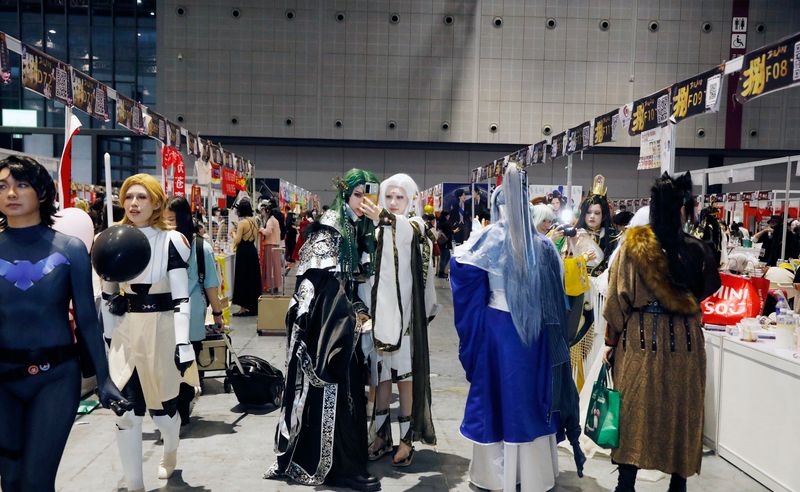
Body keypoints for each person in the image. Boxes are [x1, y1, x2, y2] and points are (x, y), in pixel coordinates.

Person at [0, 156, 126, 491]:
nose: (11, 193)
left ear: (42, 193)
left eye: (21, 184)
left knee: (36, 482)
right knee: (11, 481)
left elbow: (86, 319)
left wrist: (105, 379)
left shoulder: (70, 249)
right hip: (2, 380)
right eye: (2, 186)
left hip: (55, 378)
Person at [603, 172, 721, 492]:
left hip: (640, 341)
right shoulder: (698, 249)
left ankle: (626, 484)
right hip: (686, 342)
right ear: (682, 208)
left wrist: (610, 342)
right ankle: (677, 484)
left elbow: (616, 300)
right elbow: (708, 289)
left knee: (633, 410)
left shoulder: (633, 247)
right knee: (681, 411)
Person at [266, 169, 382, 492]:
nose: (363, 202)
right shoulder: (331, 228)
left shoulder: (357, 227)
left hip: (345, 323)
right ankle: (338, 467)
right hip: (327, 326)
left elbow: (352, 280)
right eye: (358, 194)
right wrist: (346, 317)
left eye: (369, 195)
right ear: (346, 194)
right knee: (335, 391)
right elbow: (319, 284)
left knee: (350, 391)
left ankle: (348, 461)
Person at [450, 165, 559, 491]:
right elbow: (557, 295)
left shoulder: (491, 238)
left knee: (497, 397)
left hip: (499, 330)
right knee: (528, 397)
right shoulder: (542, 244)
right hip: (532, 333)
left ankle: (497, 475)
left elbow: (462, 267)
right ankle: (531, 474)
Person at [100, 173, 195, 491]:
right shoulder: (112, 238)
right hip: (126, 331)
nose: (134, 203)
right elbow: (107, 296)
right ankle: (135, 485)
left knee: (164, 414)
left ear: (156, 203)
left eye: (142, 197)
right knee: (125, 413)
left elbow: (181, 297)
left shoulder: (172, 241)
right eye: (129, 196)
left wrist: (183, 342)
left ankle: (170, 449)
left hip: (162, 329)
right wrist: (108, 339)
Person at [366, 173, 437, 467]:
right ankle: (381, 435)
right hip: (379, 317)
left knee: (405, 378)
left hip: (406, 315)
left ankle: (407, 440)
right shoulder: (376, 230)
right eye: (389, 196)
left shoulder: (415, 226)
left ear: (410, 200)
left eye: (400, 197)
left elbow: (409, 231)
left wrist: (385, 218)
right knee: (381, 376)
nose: (394, 202)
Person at [165, 196, 224, 426]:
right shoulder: (161, 244)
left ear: (183, 219)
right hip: (165, 315)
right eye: (164, 219)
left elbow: (211, 285)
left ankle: (180, 410)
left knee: (187, 366)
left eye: (172, 219)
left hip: (190, 316)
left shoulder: (201, 248)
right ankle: (176, 410)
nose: (168, 225)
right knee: (175, 365)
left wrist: (217, 314)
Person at [231, 200, 261, 315]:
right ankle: (253, 306)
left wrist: (233, 233)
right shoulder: (255, 221)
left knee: (242, 278)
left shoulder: (242, 223)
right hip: (252, 251)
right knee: (252, 279)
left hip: (243, 252)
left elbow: (237, 240)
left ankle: (243, 308)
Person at [260, 204, 282, 295]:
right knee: (276, 266)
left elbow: (268, 232)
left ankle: (269, 286)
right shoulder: (275, 220)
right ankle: (276, 285)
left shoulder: (270, 220)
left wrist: (261, 229)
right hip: (276, 244)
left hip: (270, 245)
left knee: (269, 266)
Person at [436, 210, 453, 278]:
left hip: (441, 242)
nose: (449, 217)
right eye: (448, 215)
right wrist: (453, 231)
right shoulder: (446, 224)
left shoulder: (440, 222)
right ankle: (441, 272)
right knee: (444, 257)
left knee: (446, 256)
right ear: (446, 216)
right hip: (445, 243)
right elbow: (449, 232)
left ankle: (441, 271)